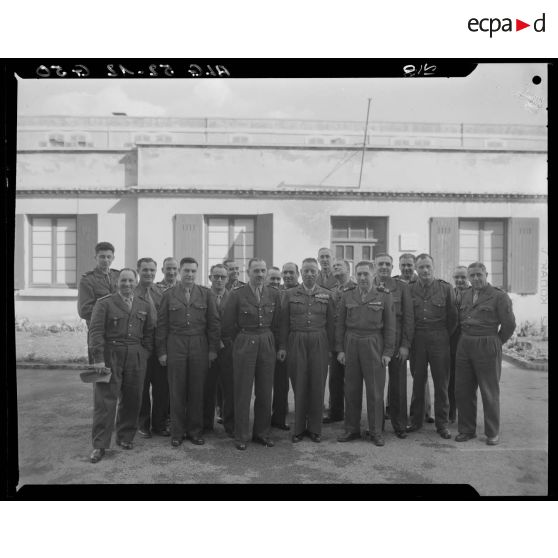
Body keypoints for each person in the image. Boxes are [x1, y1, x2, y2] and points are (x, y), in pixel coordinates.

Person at [88, 268, 155, 463]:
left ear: (136, 282)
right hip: (110, 355)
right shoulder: (104, 303)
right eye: (123, 281)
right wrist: (98, 359)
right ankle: (99, 445)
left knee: (133, 398)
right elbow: (96, 332)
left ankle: (125, 437)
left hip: (135, 355)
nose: (127, 284)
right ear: (117, 282)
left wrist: (144, 353)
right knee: (104, 401)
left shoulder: (143, 304)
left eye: (130, 281)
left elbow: (149, 331)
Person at [156, 257, 220, 448]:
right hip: (176, 343)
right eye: (186, 271)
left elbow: (214, 324)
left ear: (197, 273)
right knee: (176, 390)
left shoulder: (206, 294)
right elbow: (162, 325)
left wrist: (212, 349)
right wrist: (162, 351)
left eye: (193, 271)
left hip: (199, 343)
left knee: (197, 389)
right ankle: (177, 432)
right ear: (179, 272)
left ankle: (195, 431)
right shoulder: (168, 295)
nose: (190, 274)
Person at [222, 258, 281, 450]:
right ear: (248, 272)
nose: (260, 275)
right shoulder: (237, 294)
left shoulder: (273, 293)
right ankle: (241, 435)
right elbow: (227, 325)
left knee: (264, 390)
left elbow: (277, 323)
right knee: (242, 391)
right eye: (256, 271)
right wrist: (239, 342)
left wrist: (276, 344)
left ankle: (262, 433)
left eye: (263, 271)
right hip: (245, 341)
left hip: (266, 341)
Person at [455, 262, 516, 445]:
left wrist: (496, 342)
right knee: (463, 390)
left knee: (489, 390)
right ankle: (466, 430)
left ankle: (492, 432)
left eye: (478, 275)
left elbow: (509, 325)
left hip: (488, 342)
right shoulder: (464, 294)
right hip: (465, 343)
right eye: (471, 275)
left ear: (486, 274)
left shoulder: (499, 296)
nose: (475, 278)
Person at [335, 261, 395, 446]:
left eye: (366, 274)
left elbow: (391, 326)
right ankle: (351, 429)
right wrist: (340, 349)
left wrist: (387, 352)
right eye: (359, 274)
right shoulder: (348, 295)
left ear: (373, 274)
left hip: (374, 343)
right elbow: (340, 325)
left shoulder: (384, 296)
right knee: (351, 389)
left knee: (375, 390)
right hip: (351, 342)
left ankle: (376, 431)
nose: (362, 278)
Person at [279, 258, 335, 443]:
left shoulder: (327, 295)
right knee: (299, 384)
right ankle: (299, 428)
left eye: (313, 271)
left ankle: (315, 429)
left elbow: (331, 324)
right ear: (301, 273)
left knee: (318, 384)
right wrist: (283, 347)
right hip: (297, 340)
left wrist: (332, 349)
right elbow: (284, 323)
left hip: (319, 341)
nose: (309, 274)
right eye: (306, 271)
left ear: (318, 273)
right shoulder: (289, 294)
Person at [406, 254, 457, 439]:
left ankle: (442, 424)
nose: (425, 270)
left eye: (428, 266)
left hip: (439, 338)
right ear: (416, 270)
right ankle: (416, 421)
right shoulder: (409, 289)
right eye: (421, 267)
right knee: (418, 382)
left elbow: (453, 318)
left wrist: (442, 335)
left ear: (433, 267)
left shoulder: (445, 288)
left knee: (441, 384)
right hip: (417, 339)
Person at [373, 253, 414, 438]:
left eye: (387, 264)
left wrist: (405, 345)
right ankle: (376, 424)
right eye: (380, 264)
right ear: (375, 266)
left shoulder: (402, 287)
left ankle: (399, 424)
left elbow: (408, 318)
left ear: (392, 267)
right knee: (375, 384)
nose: (383, 267)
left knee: (398, 384)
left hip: (397, 340)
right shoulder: (367, 284)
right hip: (374, 340)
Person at [394, 253, 433, 423]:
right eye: (403, 265)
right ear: (399, 266)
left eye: (409, 265)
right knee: (396, 372)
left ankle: (424, 410)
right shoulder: (395, 283)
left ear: (415, 266)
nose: (406, 268)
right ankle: (392, 407)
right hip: (400, 335)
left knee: (420, 375)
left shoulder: (422, 282)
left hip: (419, 336)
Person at [135, 258, 170, 438]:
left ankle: (159, 424)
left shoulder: (160, 292)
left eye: (152, 270)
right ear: (138, 270)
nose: (149, 273)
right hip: (140, 347)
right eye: (145, 270)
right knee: (141, 387)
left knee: (161, 388)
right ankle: (143, 424)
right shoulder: (131, 292)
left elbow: (164, 321)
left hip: (158, 347)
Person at [202, 264, 234, 436]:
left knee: (230, 387)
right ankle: (206, 424)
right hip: (208, 348)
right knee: (208, 387)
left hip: (229, 348)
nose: (219, 280)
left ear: (228, 279)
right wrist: (213, 342)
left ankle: (230, 424)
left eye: (222, 277)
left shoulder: (234, 297)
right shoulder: (203, 296)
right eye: (216, 276)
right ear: (210, 278)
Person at [323, 259, 356, 424]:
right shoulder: (332, 290)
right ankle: (336, 413)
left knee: (351, 380)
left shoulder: (356, 288)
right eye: (334, 266)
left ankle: (352, 415)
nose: (335, 267)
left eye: (339, 266)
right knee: (335, 379)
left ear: (348, 269)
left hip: (351, 339)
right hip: (336, 340)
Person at [77, 241, 120, 364]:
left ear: (113, 258)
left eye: (108, 257)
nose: (105, 260)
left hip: (118, 334)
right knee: (100, 373)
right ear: (95, 257)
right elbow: (84, 310)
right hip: (99, 333)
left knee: (117, 373)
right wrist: (111, 314)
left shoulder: (118, 276)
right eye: (102, 256)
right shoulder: (88, 280)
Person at [270, 262, 300, 430]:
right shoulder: (277, 292)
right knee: (280, 384)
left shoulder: (303, 292)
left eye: (291, 272)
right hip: (278, 343)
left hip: (298, 342)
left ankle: (303, 415)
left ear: (298, 274)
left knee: (300, 382)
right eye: (285, 272)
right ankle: (279, 417)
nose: (288, 275)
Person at [449, 265, 471, 423]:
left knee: (467, 382)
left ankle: (466, 417)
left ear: (468, 277)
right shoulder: (451, 292)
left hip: (469, 342)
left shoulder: (474, 294)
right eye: (457, 277)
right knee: (451, 380)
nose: (460, 280)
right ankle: (451, 414)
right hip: (452, 342)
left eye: (463, 277)